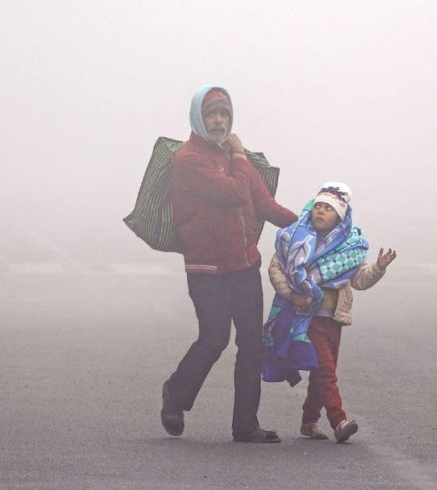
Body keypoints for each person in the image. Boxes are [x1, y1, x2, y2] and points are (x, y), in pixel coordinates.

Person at [160, 85, 298, 443]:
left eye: (224, 113)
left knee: (252, 343)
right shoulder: (189, 160)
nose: (219, 120)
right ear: (198, 119)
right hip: (207, 270)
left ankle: (245, 425)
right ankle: (175, 395)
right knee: (214, 338)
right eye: (211, 114)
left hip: (244, 266)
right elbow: (234, 193)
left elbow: (265, 204)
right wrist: (238, 156)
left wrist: (309, 224)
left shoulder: (236, 158)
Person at [264, 182, 397, 442]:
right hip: (306, 318)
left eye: (328, 208)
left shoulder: (349, 248)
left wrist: (378, 268)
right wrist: (293, 295)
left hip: (333, 320)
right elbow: (276, 269)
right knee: (326, 370)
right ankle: (339, 420)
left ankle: (309, 420)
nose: (321, 212)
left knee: (321, 371)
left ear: (341, 216)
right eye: (318, 206)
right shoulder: (294, 240)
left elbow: (359, 280)